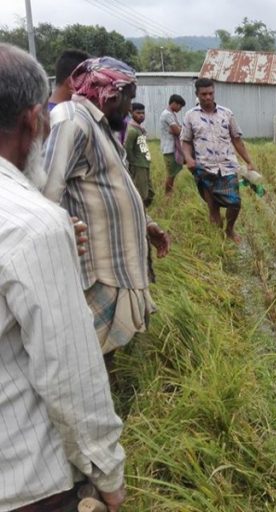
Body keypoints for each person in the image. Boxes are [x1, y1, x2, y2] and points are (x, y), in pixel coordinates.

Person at [0, 42, 126, 512]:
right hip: (26, 483)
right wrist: (107, 473)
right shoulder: (33, 226)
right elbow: (69, 373)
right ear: (34, 121)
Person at [42, 56, 171, 356]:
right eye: (129, 99)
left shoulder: (99, 127)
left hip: (116, 265)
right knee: (89, 354)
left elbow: (115, 187)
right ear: (111, 93)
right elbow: (46, 191)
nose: (130, 109)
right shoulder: (72, 120)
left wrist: (147, 223)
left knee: (103, 353)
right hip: (97, 269)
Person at [181, 77, 259, 243]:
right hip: (204, 168)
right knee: (213, 207)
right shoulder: (190, 116)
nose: (208, 97)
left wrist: (249, 161)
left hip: (228, 166)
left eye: (210, 93)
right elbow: (186, 141)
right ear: (197, 94)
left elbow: (236, 139)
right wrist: (188, 159)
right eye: (204, 94)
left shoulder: (227, 113)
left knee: (235, 203)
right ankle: (218, 240)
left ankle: (229, 229)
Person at [124, 102, 154, 207]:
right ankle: (139, 214)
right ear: (132, 113)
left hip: (144, 164)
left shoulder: (139, 129)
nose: (141, 115)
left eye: (143, 113)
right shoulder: (132, 130)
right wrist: (134, 161)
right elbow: (127, 148)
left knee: (149, 192)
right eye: (138, 113)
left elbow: (142, 146)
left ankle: (144, 212)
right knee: (141, 194)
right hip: (138, 165)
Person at [159, 93, 186, 194]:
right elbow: (178, 131)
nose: (180, 109)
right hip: (169, 149)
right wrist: (179, 129)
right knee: (171, 174)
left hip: (172, 147)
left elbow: (178, 128)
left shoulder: (171, 114)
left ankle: (169, 193)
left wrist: (179, 128)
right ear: (174, 103)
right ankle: (167, 195)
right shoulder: (167, 114)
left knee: (172, 174)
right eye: (180, 106)